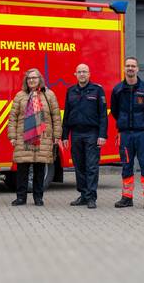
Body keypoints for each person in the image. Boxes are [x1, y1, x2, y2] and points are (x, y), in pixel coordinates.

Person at [110, 57, 144, 209]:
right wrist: (123, 122)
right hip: (125, 134)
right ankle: (127, 197)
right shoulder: (118, 89)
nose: (130, 68)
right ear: (124, 69)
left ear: (138, 69)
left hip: (142, 133)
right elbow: (114, 111)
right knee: (126, 166)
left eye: (133, 66)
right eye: (128, 66)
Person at [7, 68, 62, 206]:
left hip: (43, 137)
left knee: (39, 168)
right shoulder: (20, 96)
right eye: (29, 78)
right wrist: (12, 136)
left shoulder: (49, 95)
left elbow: (56, 116)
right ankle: (21, 198)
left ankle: (38, 198)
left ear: (40, 79)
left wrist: (57, 135)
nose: (31, 80)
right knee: (22, 170)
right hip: (23, 137)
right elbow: (13, 117)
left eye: (34, 78)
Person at [62, 64, 107, 209]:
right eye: (79, 72)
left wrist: (102, 135)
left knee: (91, 166)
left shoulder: (97, 90)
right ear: (75, 74)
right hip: (75, 133)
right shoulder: (71, 91)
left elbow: (103, 115)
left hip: (92, 133)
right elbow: (67, 115)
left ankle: (91, 197)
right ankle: (83, 195)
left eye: (84, 72)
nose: (82, 74)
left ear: (89, 74)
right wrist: (64, 136)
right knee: (79, 166)